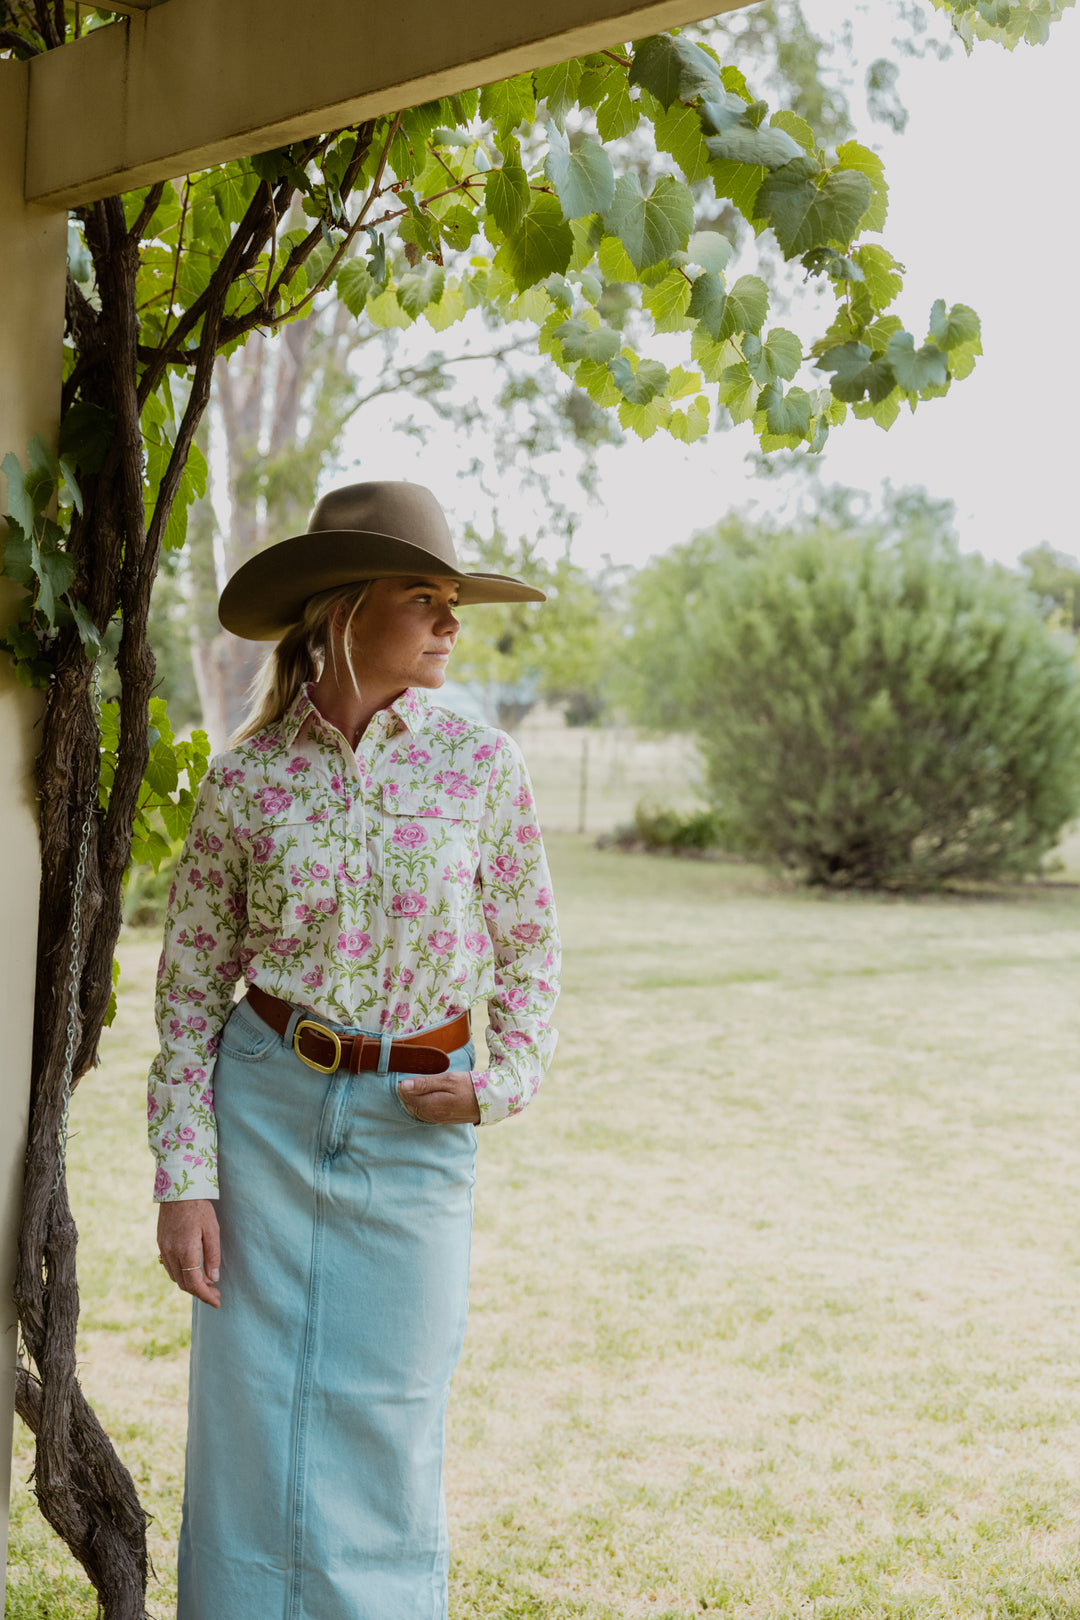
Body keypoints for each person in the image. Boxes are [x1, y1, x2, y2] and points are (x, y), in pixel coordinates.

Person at [148, 481, 560, 1620]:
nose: (451, 622)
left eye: (452, 600)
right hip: (264, 1116)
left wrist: (499, 1083)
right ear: (342, 612)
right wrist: (185, 1178)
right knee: (247, 1421)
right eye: (425, 597)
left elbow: (531, 951)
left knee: (389, 1418)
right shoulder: (245, 782)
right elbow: (189, 995)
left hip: (414, 1125)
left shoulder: (482, 768)